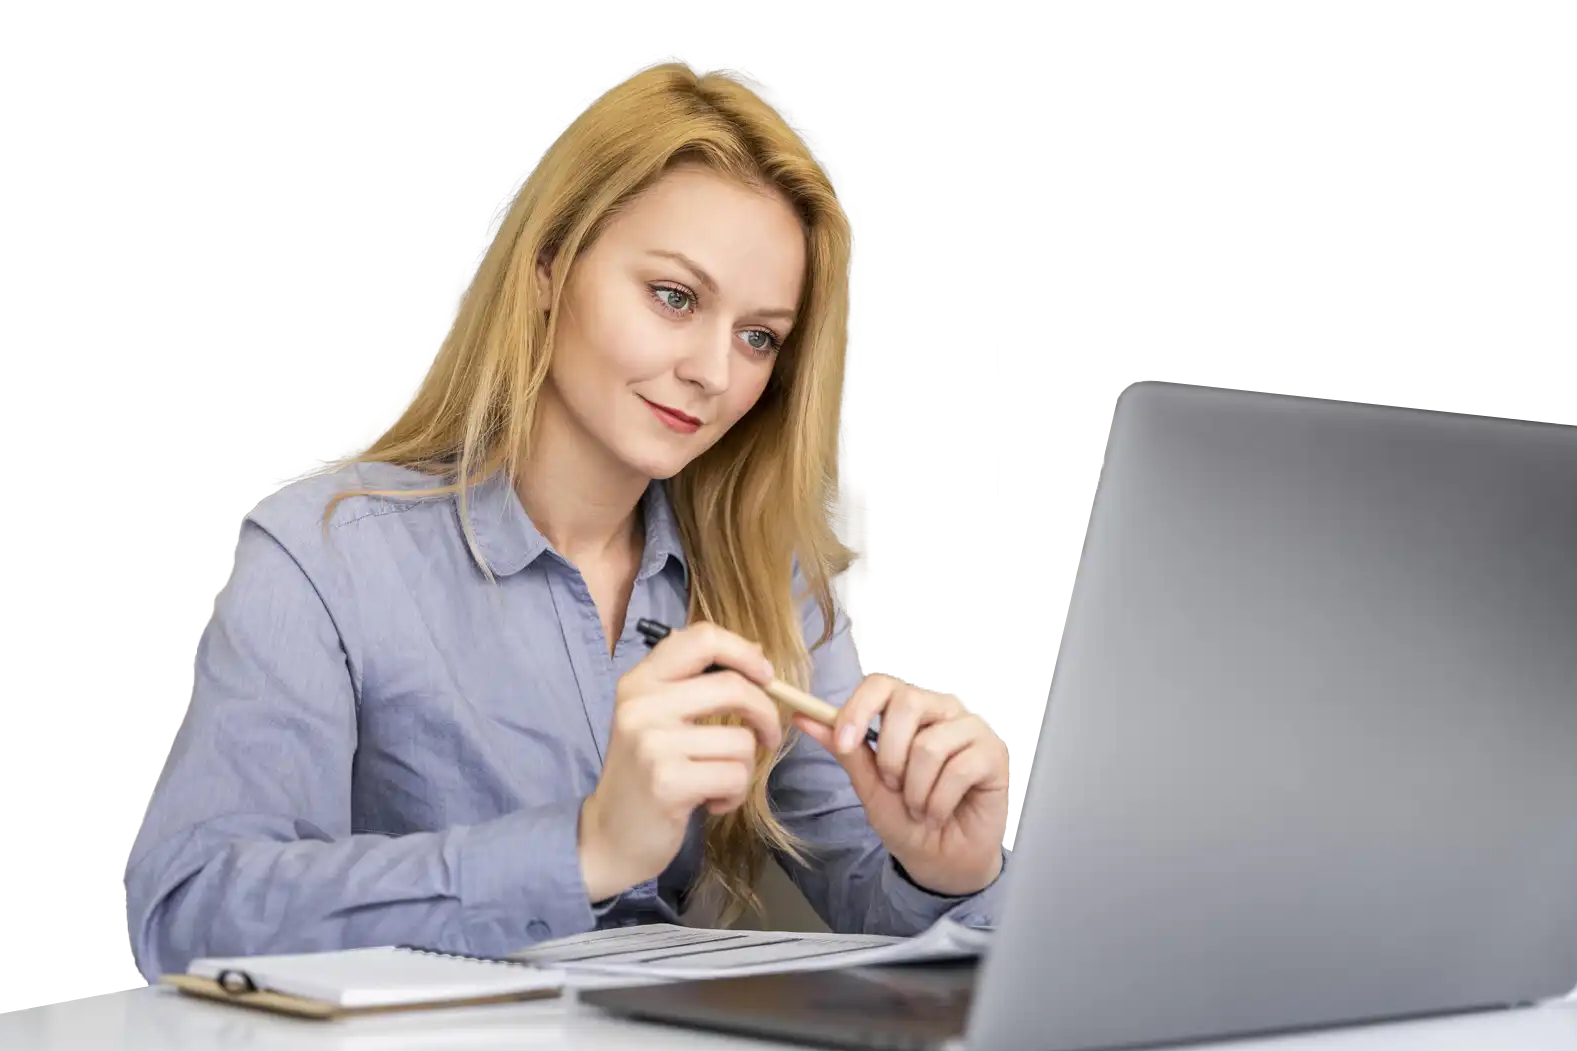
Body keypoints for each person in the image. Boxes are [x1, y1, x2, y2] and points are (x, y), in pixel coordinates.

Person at [123, 62, 1012, 982]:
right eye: (675, 296)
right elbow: (187, 910)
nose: (715, 371)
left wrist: (944, 866)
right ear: (549, 264)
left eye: (759, 337)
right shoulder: (325, 553)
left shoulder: (763, 575)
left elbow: (879, 896)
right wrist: (584, 849)